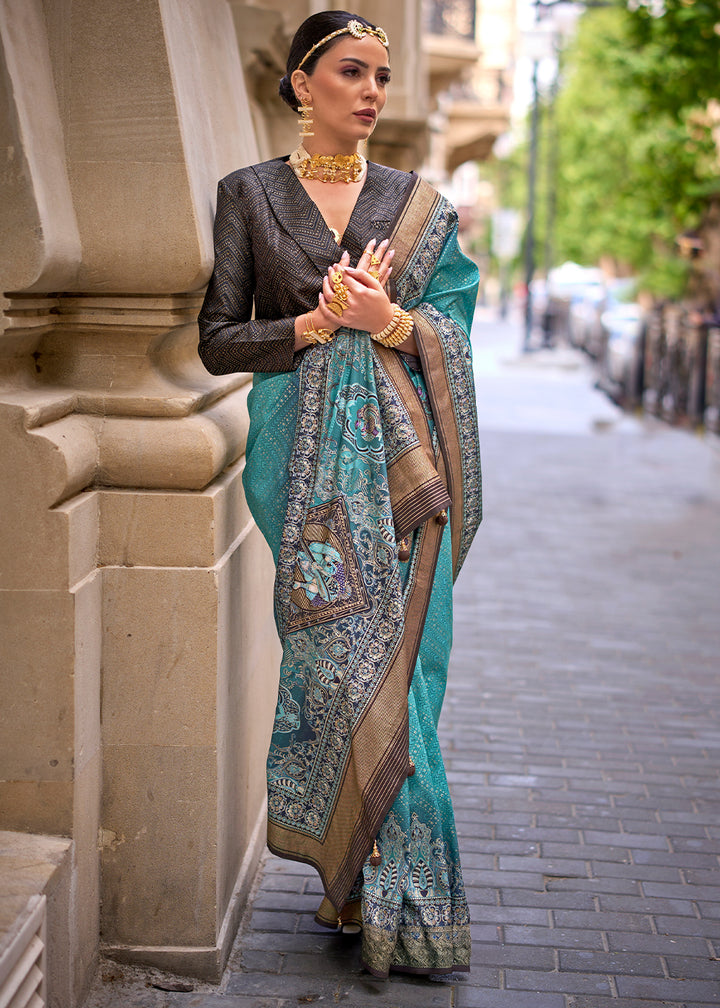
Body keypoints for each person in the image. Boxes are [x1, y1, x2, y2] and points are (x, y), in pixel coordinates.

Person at [197, 9, 482, 979]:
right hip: (301, 481)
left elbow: (453, 328)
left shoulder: (416, 203)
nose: (371, 92)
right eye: (352, 73)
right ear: (301, 84)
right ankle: (352, 881)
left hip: (407, 482)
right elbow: (216, 339)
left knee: (401, 682)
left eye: (381, 77)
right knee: (333, 680)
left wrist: (393, 320)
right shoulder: (248, 197)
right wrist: (311, 330)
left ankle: (412, 909)